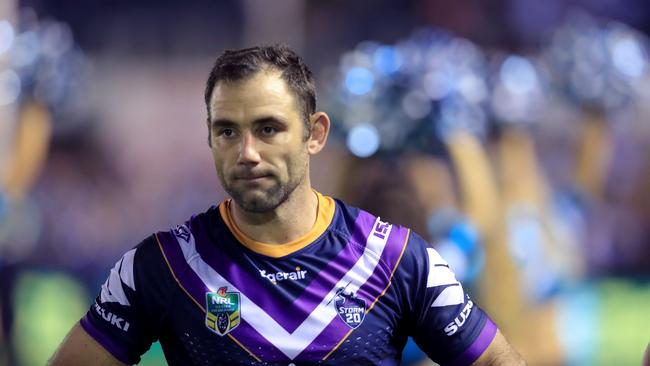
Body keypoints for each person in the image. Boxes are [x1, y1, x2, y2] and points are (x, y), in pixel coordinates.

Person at [48, 44, 525, 365]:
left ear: (315, 134)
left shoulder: (400, 259)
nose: (247, 152)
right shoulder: (161, 267)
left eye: (269, 128)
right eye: (227, 131)